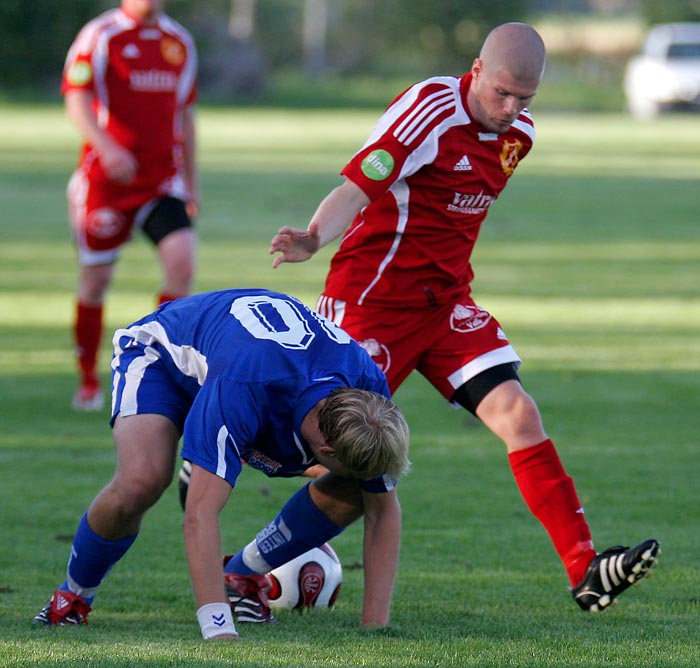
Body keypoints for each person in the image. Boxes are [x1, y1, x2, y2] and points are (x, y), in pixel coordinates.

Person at [268, 22, 659, 612]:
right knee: (336, 463)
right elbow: (361, 183)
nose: (511, 109)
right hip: (370, 302)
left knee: (519, 413)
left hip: (446, 304)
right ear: (476, 69)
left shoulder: (518, 137)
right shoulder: (428, 110)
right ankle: (239, 542)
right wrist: (315, 237)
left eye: (524, 99)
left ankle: (585, 566)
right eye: (501, 93)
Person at [33, 288, 411, 639]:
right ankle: (73, 597)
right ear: (326, 451)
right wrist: (218, 629)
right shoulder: (248, 387)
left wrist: (375, 626)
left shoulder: (368, 387)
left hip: (252, 370)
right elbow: (200, 512)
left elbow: (382, 510)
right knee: (143, 479)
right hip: (164, 355)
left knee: (360, 488)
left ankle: (242, 575)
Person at [62, 0, 199, 411]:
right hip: (107, 185)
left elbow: (186, 115)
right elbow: (76, 97)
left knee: (182, 265)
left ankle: (160, 369)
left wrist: (191, 184)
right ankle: (88, 379)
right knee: (97, 280)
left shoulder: (180, 42)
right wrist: (107, 149)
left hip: (161, 182)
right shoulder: (101, 35)